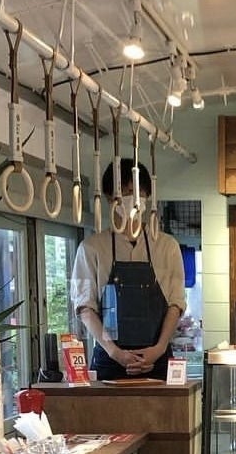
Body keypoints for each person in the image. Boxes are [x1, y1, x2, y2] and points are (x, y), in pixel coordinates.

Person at [70, 159, 187, 380]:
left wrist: (159, 348)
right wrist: (115, 352)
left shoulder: (167, 246)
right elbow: (85, 307)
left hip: (157, 358)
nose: (132, 199)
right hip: (109, 360)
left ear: (147, 196)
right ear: (108, 197)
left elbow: (176, 303)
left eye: (138, 193)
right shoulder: (91, 248)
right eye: (125, 192)